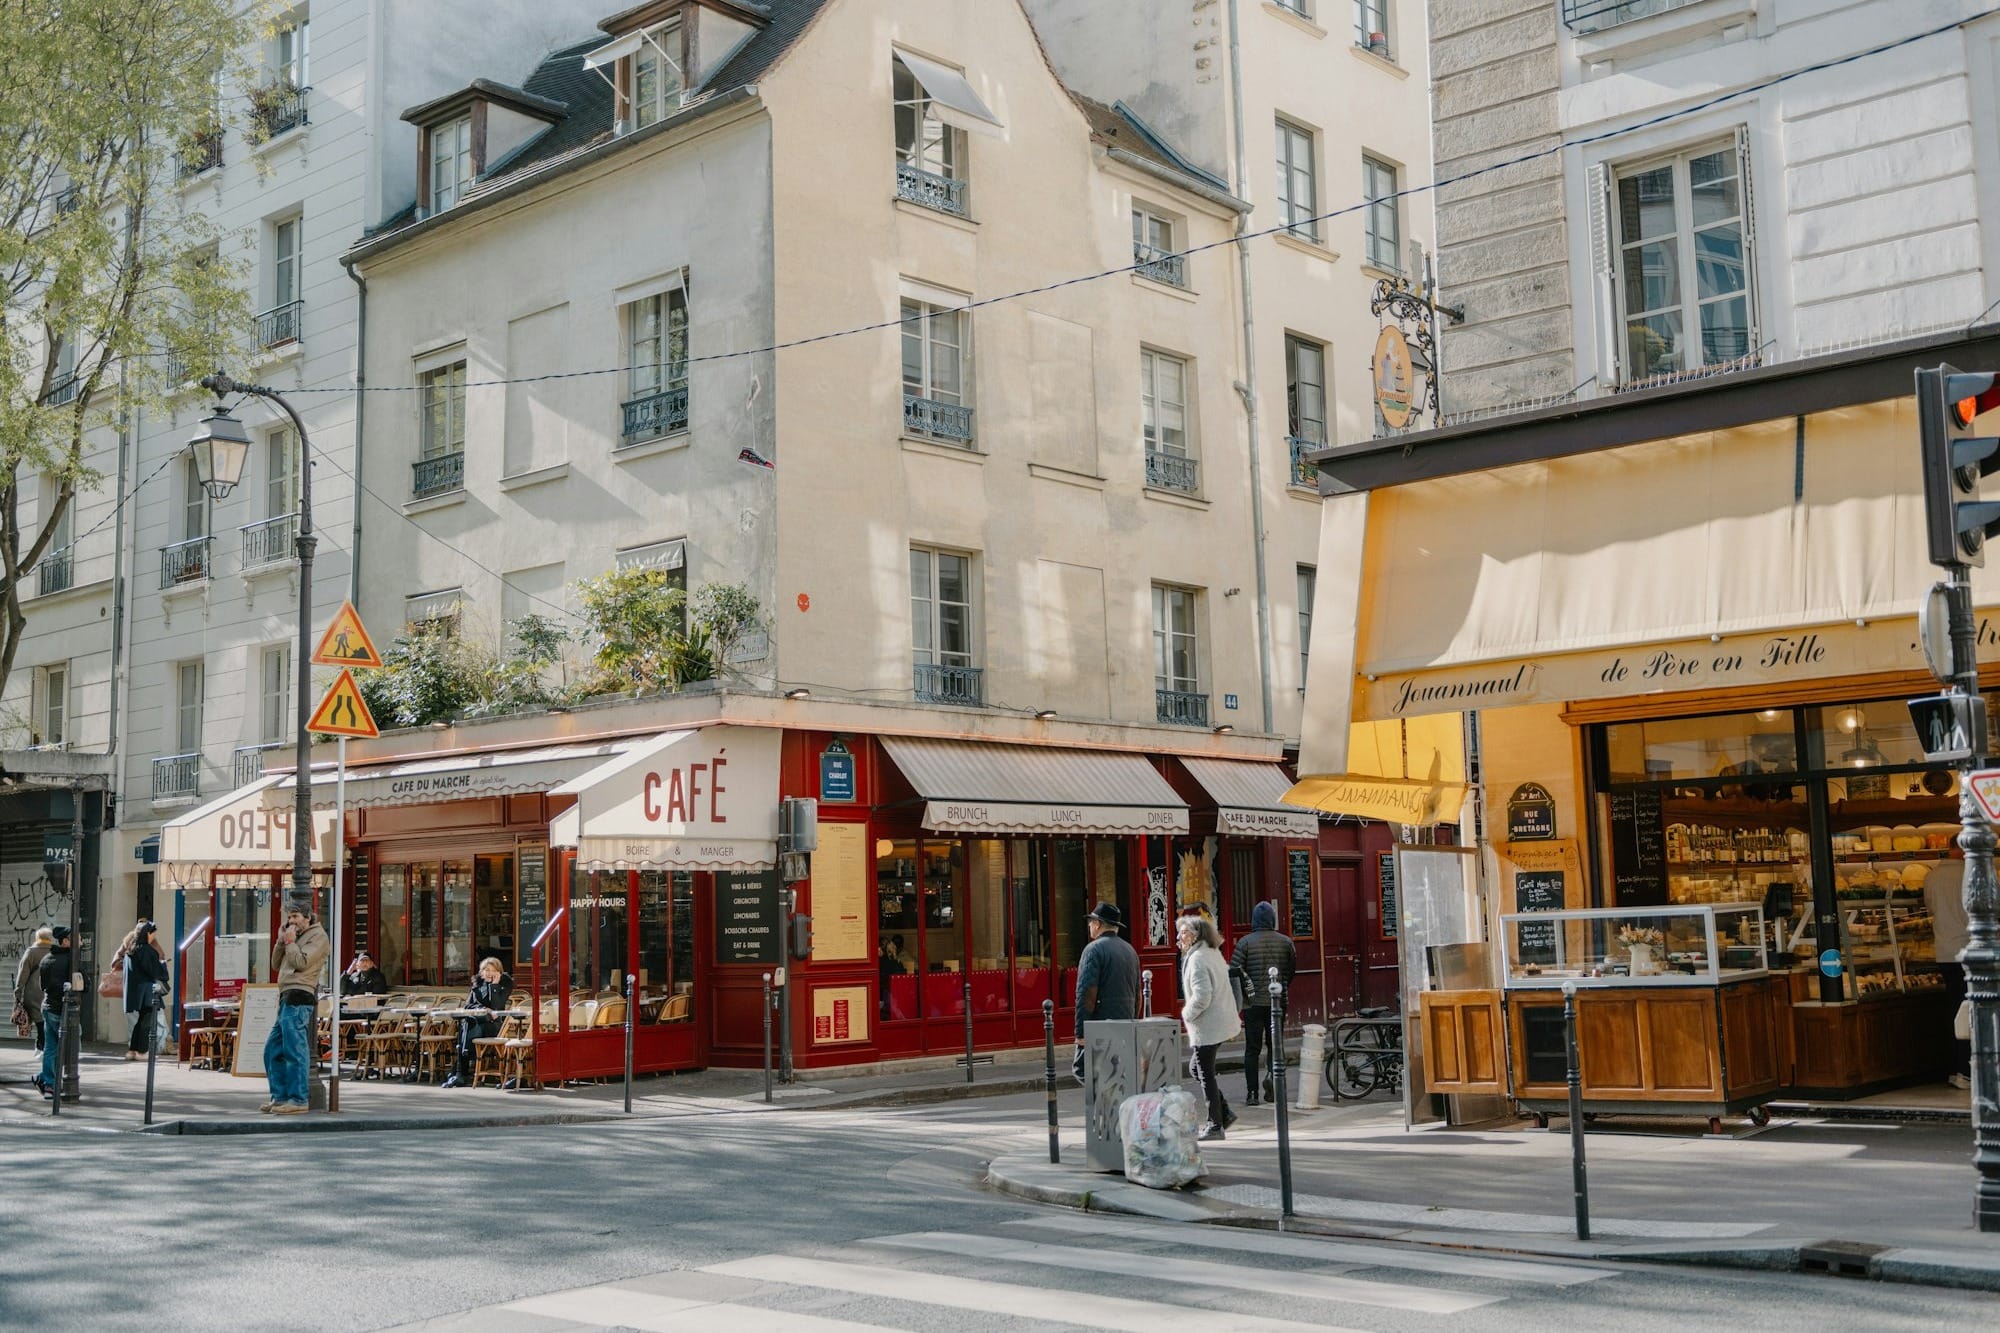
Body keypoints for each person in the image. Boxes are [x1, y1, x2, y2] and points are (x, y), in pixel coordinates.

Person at [1178, 913, 1240, 1140]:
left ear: (1194, 935)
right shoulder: (1211, 953)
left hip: (1209, 1024)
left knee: (1204, 1072)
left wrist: (1186, 1014)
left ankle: (1215, 1125)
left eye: (1183, 932)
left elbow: (1203, 996)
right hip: (1220, 1021)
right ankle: (1224, 1113)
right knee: (1197, 1068)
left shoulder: (1198, 959)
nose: (1179, 937)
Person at [1230, 901, 1298, 1106]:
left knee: (1252, 1048)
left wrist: (1244, 994)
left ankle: (1252, 1093)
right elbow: (1290, 970)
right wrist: (1282, 986)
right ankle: (1272, 1080)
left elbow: (1234, 971)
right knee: (1275, 1045)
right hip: (1277, 1002)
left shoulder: (1245, 942)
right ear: (1272, 919)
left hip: (1252, 1004)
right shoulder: (1286, 942)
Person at [264, 906, 328, 1115]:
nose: (291, 921)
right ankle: (280, 1096)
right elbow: (275, 964)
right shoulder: (293, 937)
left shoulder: (318, 936)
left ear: (307, 918)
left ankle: (298, 1098)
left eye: (295, 917)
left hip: (300, 994)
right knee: (272, 1049)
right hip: (286, 994)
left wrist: (290, 942)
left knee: (294, 1048)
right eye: (289, 917)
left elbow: (300, 962)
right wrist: (280, 941)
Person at [1073, 903, 1140, 1081]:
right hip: (1124, 1023)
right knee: (1114, 1071)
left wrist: (1081, 1032)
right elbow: (1137, 993)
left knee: (1083, 1070)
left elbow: (1086, 993)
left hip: (1100, 1025)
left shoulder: (1093, 949)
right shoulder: (1130, 950)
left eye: (1091, 922)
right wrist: (1133, 1020)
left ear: (1098, 924)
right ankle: (1113, 1105)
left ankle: (1107, 1106)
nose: (1089, 926)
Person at [1925, 851, 1973, 1091]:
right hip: (1971, 953)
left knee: (1955, 1009)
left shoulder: (1932, 876)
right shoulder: (1973, 872)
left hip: (1944, 952)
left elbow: (1930, 908)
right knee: (1971, 1011)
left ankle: (1957, 1069)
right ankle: (1967, 1070)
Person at [443, 957, 512, 1089]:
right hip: (476, 1023)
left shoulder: (505, 985)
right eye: (486, 970)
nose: (489, 973)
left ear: (499, 972)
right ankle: (461, 1072)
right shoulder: (477, 986)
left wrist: (495, 985)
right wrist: (481, 1009)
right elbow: (467, 1007)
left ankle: (460, 1071)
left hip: (494, 1026)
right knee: (469, 1023)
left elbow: (497, 1006)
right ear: (481, 972)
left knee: (468, 1027)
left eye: (493, 970)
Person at [122, 921, 171, 1061]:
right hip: (148, 990)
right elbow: (153, 971)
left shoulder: (131, 949)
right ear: (148, 934)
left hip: (135, 990)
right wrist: (163, 966)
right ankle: (142, 1051)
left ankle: (133, 1049)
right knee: (147, 1021)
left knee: (140, 1021)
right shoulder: (147, 950)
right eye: (153, 934)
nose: (153, 936)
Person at [35, 926, 73, 1099]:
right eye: (75, 938)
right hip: (61, 1009)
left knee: (51, 1047)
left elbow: (42, 985)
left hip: (47, 1006)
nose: (79, 941)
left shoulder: (46, 959)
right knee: (68, 1047)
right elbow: (84, 985)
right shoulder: (71, 960)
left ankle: (47, 1082)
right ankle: (50, 1081)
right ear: (65, 941)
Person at [13, 925, 54, 1053]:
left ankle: (41, 1045)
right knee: (47, 1019)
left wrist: (18, 991)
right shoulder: (54, 951)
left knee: (39, 1020)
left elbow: (23, 973)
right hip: (50, 992)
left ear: (37, 938)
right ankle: (42, 1044)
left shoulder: (31, 952)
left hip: (33, 992)